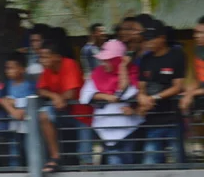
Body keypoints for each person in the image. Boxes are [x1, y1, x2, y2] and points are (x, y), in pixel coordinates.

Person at [80, 40, 143, 165]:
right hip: (104, 127)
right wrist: (105, 96)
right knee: (114, 165)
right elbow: (84, 96)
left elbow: (123, 93)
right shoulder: (97, 72)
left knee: (130, 164)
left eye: (108, 60)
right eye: (103, 60)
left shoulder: (133, 71)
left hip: (128, 129)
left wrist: (123, 68)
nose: (104, 63)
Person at [37, 42, 93, 172]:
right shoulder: (47, 69)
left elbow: (71, 93)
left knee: (85, 158)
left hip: (82, 115)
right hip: (63, 112)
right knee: (44, 115)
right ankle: (55, 157)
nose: (42, 60)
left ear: (56, 57)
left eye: (45, 57)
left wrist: (58, 97)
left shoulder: (69, 64)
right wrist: (55, 96)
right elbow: (40, 90)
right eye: (41, 57)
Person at [137, 19, 186, 165]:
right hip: (152, 121)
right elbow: (141, 87)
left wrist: (154, 97)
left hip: (172, 119)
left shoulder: (177, 55)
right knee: (150, 161)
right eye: (147, 39)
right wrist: (141, 98)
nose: (149, 42)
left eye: (152, 39)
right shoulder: (145, 59)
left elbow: (178, 86)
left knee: (178, 161)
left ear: (162, 38)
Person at [1, 52, 35, 167]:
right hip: (13, 126)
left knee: (28, 150)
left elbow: (29, 103)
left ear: (22, 69)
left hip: (27, 127)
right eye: (7, 68)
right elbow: (3, 100)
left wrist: (12, 103)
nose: (8, 71)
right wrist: (12, 108)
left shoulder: (29, 85)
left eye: (11, 68)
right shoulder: (8, 84)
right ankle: (14, 171)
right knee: (14, 151)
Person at [180, 16, 204, 114]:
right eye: (196, 32)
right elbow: (198, 79)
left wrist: (190, 94)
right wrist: (189, 91)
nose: (196, 36)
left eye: (201, 33)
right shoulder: (198, 48)